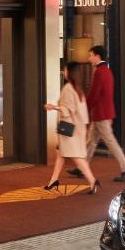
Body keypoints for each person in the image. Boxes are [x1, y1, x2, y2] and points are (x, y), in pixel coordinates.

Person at [69, 45, 125, 182]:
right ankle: (82, 168)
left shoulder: (99, 72)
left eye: (91, 55)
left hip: (101, 115)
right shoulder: (107, 71)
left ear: (98, 56)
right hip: (103, 113)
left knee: (111, 143)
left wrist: (83, 108)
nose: (89, 58)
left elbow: (94, 94)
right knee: (91, 142)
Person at [44, 62, 99, 194]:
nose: (64, 71)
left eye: (65, 70)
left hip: (69, 129)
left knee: (76, 156)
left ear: (70, 72)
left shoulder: (68, 88)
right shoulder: (77, 88)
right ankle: (53, 180)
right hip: (77, 127)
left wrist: (53, 107)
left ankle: (92, 181)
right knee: (61, 153)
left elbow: (68, 110)